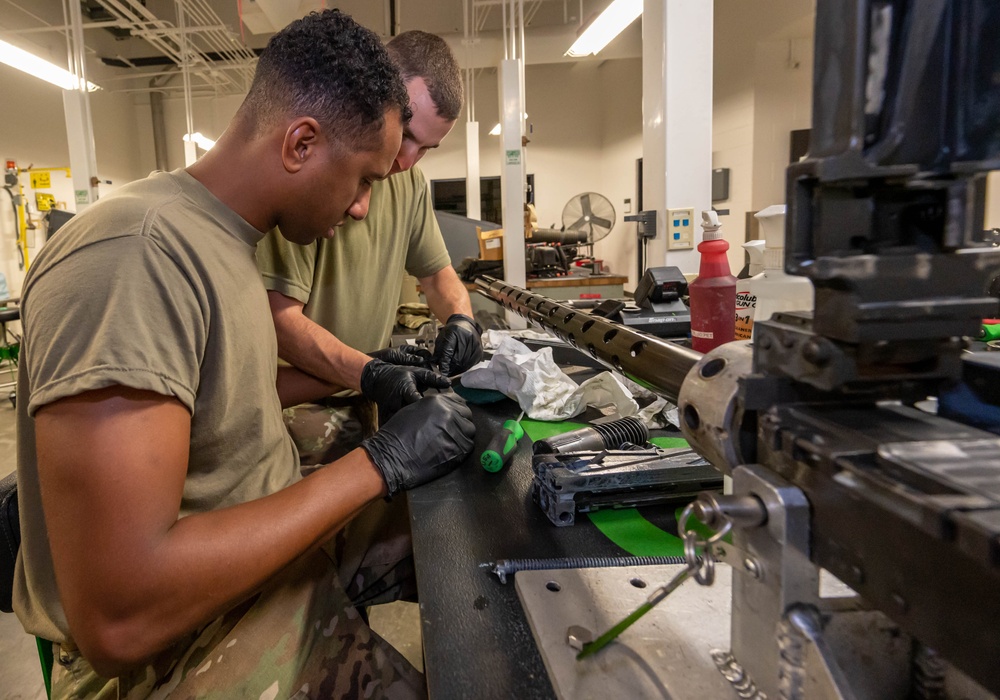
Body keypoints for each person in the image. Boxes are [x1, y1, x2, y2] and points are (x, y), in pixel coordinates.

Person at [13, 10, 474, 699]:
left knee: (466, 535)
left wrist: (376, 372)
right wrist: (380, 464)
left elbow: (230, 399)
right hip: (178, 644)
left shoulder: (228, 241)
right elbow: (120, 618)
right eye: (363, 181)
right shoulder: (132, 257)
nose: (362, 211)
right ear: (301, 143)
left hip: (259, 532)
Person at [257, 30, 483, 463]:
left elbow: (437, 275)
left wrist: (462, 319)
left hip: (365, 394)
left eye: (427, 149)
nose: (407, 160)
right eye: (408, 134)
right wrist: (370, 369)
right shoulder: (317, 180)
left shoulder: (410, 182)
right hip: (300, 412)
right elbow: (279, 320)